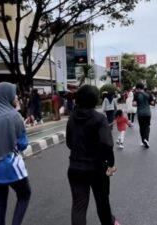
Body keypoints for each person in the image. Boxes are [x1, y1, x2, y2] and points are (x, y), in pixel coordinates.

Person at [66, 85, 119, 225]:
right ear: (95, 100)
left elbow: (69, 143)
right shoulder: (99, 119)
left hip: (75, 168)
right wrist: (111, 165)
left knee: (79, 207)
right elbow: (108, 145)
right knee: (102, 203)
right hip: (97, 169)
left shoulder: (72, 118)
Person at [0, 82, 31, 225]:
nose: (15, 97)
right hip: (10, 165)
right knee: (24, 195)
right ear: (6, 96)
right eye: (14, 94)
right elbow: (23, 144)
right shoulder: (14, 116)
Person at [133, 82, 154, 148]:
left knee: (142, 127)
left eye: (136, 88)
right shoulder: (148, 94)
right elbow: (153, 103)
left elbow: (134, 104)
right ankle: (146, 139)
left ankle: (143, 140)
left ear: (138, 88)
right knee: (147, 126)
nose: (136, 90)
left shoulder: (136, 94)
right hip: (148, 113)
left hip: (140, 114)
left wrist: (138, 103)